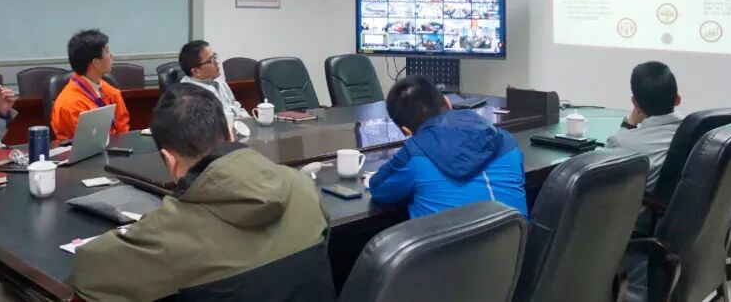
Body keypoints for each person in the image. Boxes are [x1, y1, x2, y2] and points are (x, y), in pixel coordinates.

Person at [71, 84, 333, 301]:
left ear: (169, 160)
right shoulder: (302, 187)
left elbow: (88, 270)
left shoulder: (167, 232)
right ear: (230, 133)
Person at [369, 75, 528, 219]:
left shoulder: (413, 155)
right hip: (515, 242)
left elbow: (378, 188)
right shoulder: (506, 140)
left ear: (406, 131)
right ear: (447, 102)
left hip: (447, 243)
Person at [605, 61, 684, 190]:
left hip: (642, 202)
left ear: (635, 103)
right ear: (678, 99)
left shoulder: (620, 142)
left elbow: (603, 175)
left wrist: (629, 125)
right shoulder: (698, 131)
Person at [51, 29, 131, 141]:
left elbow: (123, 131)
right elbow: (86, 143)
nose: (111, 56)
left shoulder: (111, 92)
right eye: (107, 51)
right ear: (96, 62)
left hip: (117, 148)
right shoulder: (70, 103)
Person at [177, 40, 249, 120]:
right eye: (211, 60)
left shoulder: (218, 81)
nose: (217, 62)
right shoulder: (190, 95)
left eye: (214, 57)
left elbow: (234, 104)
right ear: (196, 71)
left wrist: (246, 118)